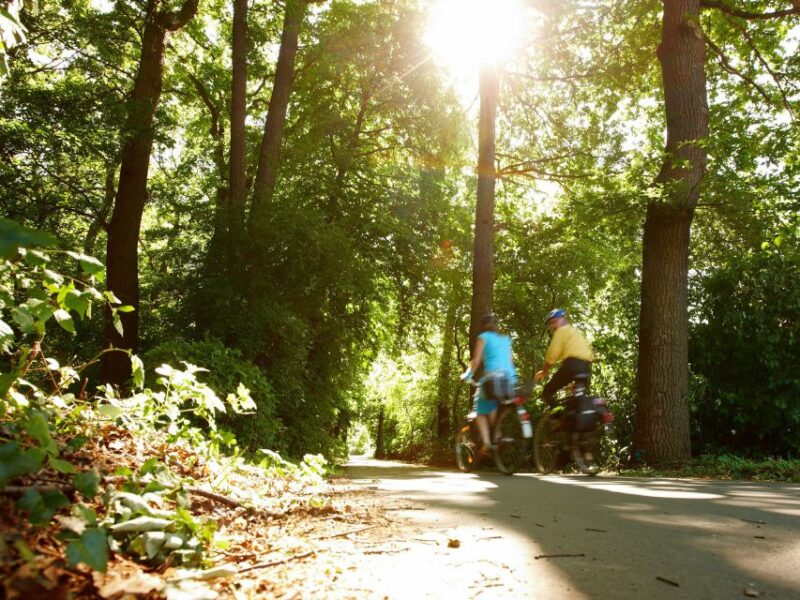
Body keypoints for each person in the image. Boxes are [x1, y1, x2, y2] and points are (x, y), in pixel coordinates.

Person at [461, 313, 517, 455]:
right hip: (509, 380)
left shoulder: (483, 337)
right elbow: (510, 362)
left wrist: (468, 375)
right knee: (494, 404)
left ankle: (487, 442)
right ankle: (497, 436)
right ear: (496, 326)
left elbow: (476, 361)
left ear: (484, 326)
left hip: (493, 378)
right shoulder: (505, 339)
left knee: (479, 409)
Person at [535, 308, 594, 406]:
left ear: (563, 319)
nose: (553, 325)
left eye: (555, 321)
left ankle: (557, 415)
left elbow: (552, 355)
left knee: (547, 392)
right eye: (551, 324)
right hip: (585, 368)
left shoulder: (561, 331)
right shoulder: (574, 333)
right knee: (577, 399)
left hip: (571, 366)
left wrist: (544, 370)